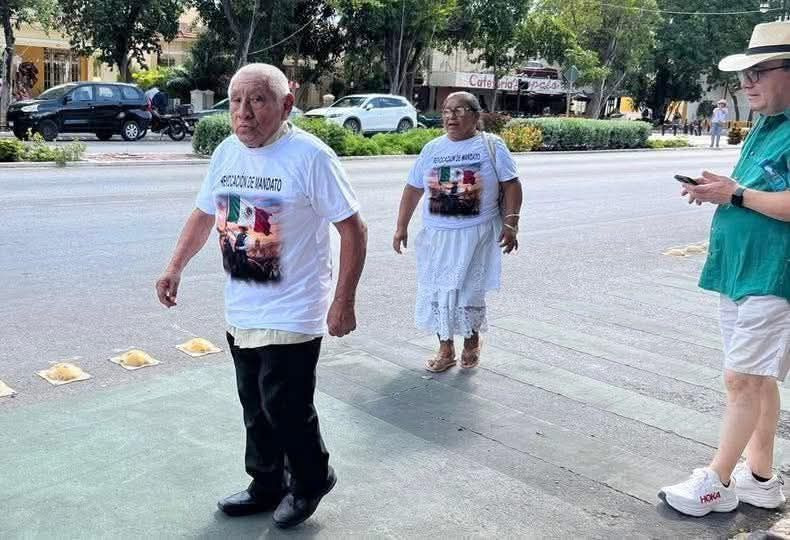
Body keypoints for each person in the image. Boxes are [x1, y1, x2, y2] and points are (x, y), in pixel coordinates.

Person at [155, 63, 367, 528]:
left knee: (284, 404)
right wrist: (174, 267)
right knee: (254, 402)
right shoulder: (227, 153)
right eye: (235, 101)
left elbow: (352, 227)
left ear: (286, 105)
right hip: (243, 303)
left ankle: (311, 478)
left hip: (295, 306)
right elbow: (202, 214)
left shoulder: (311, 157)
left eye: (257, 100)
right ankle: (267, 481)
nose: (243, 113)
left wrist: (343, 299)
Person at [658, 20, 790, 517]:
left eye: (759, 72)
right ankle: (759, 478)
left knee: (740, 379)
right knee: (757, 378)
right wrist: (721, 186)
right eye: (744, 76)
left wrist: (733, 193)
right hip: (740, 269)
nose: (747, 84)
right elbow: (759, 187)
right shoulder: (767, 123)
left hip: (775, 273)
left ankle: (716, 481)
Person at [393, 91, 522, 372]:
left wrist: (511, 224)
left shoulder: (492, 145)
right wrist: (401, 226)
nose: (451, 116)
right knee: (438, 293)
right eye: (447, 111)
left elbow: (512, 185)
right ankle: (445, 348)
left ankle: (472, 342)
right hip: (437, 237)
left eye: (459, 110)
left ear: (476, 116)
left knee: (467, 293)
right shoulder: (432, 149)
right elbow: (413, 188)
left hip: (476, 235)